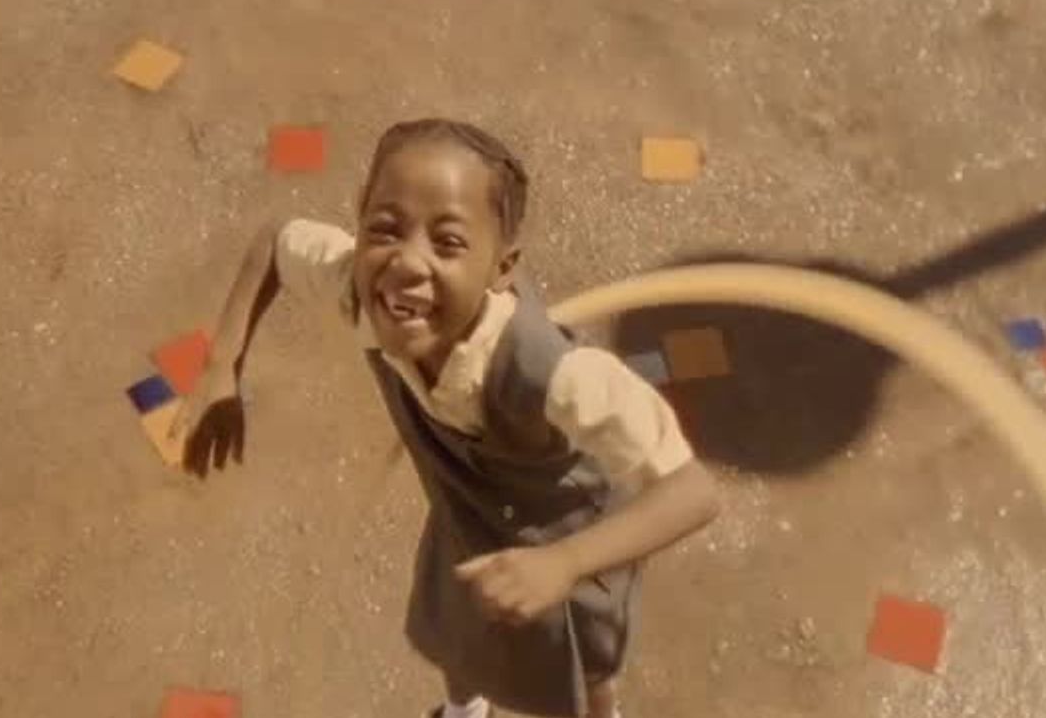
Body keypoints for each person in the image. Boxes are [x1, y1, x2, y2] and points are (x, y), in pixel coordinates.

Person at [172, 118, 720, 718]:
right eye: (385, 228)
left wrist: (564, 563)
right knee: (457, 632)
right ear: (359, 223)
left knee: (583, 661)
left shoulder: (559, 375)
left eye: (449, 242)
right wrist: (222, 365)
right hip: (465, 517)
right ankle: (464, 711)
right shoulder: (360, 291)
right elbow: (275, 242)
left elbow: (694, 493)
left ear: (502, 268)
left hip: (565, 534)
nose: (407, 262)